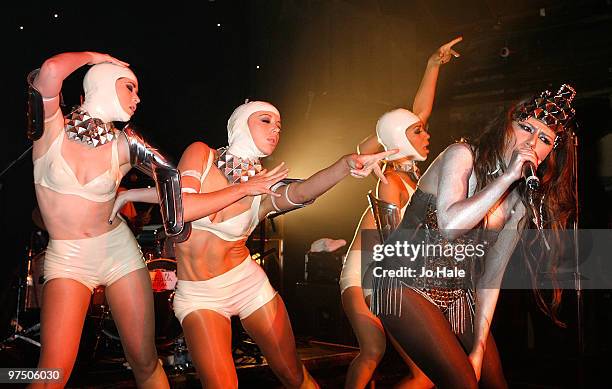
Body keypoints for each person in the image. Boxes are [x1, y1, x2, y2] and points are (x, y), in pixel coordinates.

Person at [112, 100, 395, 388]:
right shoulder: (202, 154)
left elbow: (301, 191)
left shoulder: (262, 184)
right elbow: (182, 207)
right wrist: (129, 194)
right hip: (200, 295)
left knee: (292, 375)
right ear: (240, 122)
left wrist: (345, 165)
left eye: (279, 125)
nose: (275, 129)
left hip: (247, 284)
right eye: (265, 120)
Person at [365, 84, 577, 389]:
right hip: (402, 280)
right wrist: (506, 178)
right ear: (507, 127)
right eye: (526, 127)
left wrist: (478, 347)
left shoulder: (519, 201)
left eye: (543, 138)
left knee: (494, 381)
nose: (531, 141)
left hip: (457, 292)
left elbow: (492, 276)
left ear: (547, 153)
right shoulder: (461, 155)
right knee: (462, 383)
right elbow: (451, 225)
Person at [29, 51, 169, 388]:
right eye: (129, 87)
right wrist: (97, 56)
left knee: (144, 361)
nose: (138, 98)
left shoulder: (125, 143)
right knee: (52, 373)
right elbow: (49, 70)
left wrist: (131, 195)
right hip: (68, 259)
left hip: (117, 251)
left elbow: (174, 184)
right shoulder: (51, 130)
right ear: (104, 85)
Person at [339, 37, 461, 389]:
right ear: (397, 140)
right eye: (418, 132)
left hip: (394, 273)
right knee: (373, 350)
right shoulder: (389, 177)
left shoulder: (414, 175)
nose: (427, 133)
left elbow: (414, 119)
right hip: (366, 271)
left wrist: (433, 65)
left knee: (424, 375)